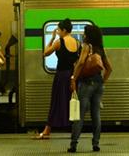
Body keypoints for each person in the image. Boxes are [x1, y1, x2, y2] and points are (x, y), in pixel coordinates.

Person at [68, 25, 113, 153]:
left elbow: (81, 62)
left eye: (84, 33)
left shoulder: (87, 46)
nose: (83, 35)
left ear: (88, 35)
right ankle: (96, 144)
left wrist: (73, 78)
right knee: (96, 115)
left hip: (86, 83)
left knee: (79, 115)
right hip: (98, 83)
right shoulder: (100, 49)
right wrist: (101, 82)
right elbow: (109, 68)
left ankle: (73, 145)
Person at [35, 18, 79, 139]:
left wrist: (52, 38)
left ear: (64, 30)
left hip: (61, 76)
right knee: (71, 102)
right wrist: (74, 78)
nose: (58, 32)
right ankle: (73, 129)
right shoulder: (77, 42)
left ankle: (47, 130)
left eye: (59, 30)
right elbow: (76, 63)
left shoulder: (59, 42)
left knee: (56, 102)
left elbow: (45, 53)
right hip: (72, 75)